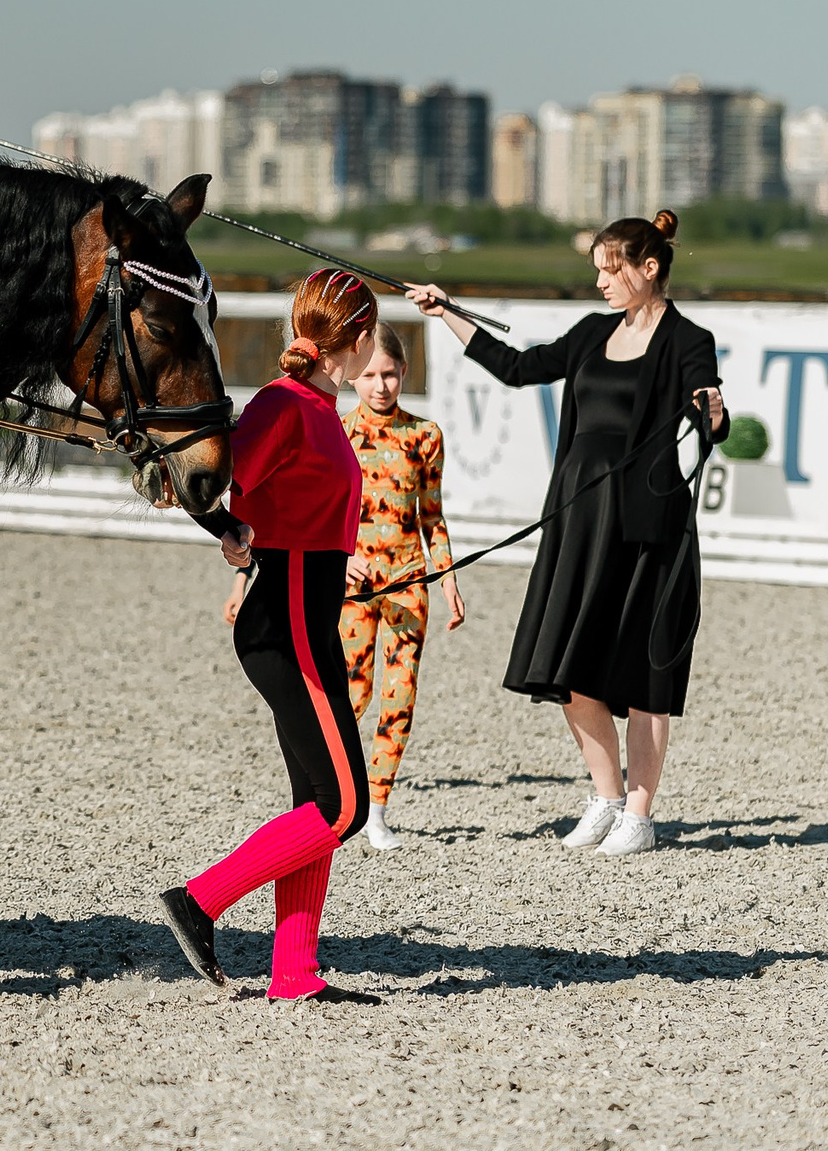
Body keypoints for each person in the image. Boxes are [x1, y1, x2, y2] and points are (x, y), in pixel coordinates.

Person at [407, 210, 727, 858]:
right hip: (579, 521)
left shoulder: (689, 339)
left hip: (646, 527)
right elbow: (520, 366)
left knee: (643, 673)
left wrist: (713, 409)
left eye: (612, 270)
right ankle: (606, 797)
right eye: (598, 272)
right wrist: (448, 312)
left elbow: (708, 406)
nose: (603, 282)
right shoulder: (589, 333)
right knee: (570, 666)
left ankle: (640, 813)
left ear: (650, 267)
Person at [158, 268, 384, 1006]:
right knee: (345, 807)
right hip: (284, 619)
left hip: (308, 615)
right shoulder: (283, 405)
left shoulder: (316, 404)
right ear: (356, 339)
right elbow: (200, 476)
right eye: (370, 336)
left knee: (313, 800)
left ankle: (294, 973)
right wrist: (227, 529)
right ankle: (200, 900)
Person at [336, 322, 463, 850]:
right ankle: (332, 797)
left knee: (400, 694)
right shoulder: (338, 431)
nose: (380, 385)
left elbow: (432, 515)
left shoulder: (425, 436)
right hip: (352, 583)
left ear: (405, 372)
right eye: (368, 375)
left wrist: (449, 578)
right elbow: (322, 511)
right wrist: (340, 560)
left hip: (410, 579)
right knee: (352, 691)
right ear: (351, 377)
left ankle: (378, 807)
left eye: (389, 373)